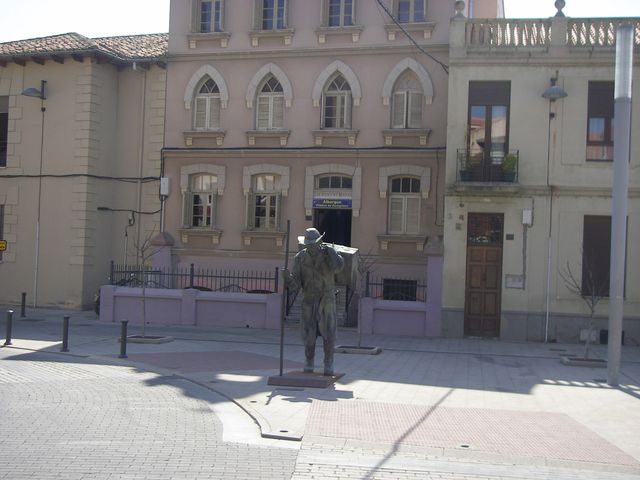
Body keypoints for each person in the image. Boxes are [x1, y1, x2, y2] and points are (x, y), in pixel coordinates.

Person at [283, 228, 344, 376]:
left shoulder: (329, 254)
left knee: (328, 333)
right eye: (309, 244)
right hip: (309, 300)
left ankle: (328, 362)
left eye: (314, 243)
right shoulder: (300, 257)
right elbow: (296, 285)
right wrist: (287, 278)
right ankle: (309, 361)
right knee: (308, 333)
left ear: (320, 241)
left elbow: (338, 269)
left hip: (327, 299)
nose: (311, 246)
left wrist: (332, 253)